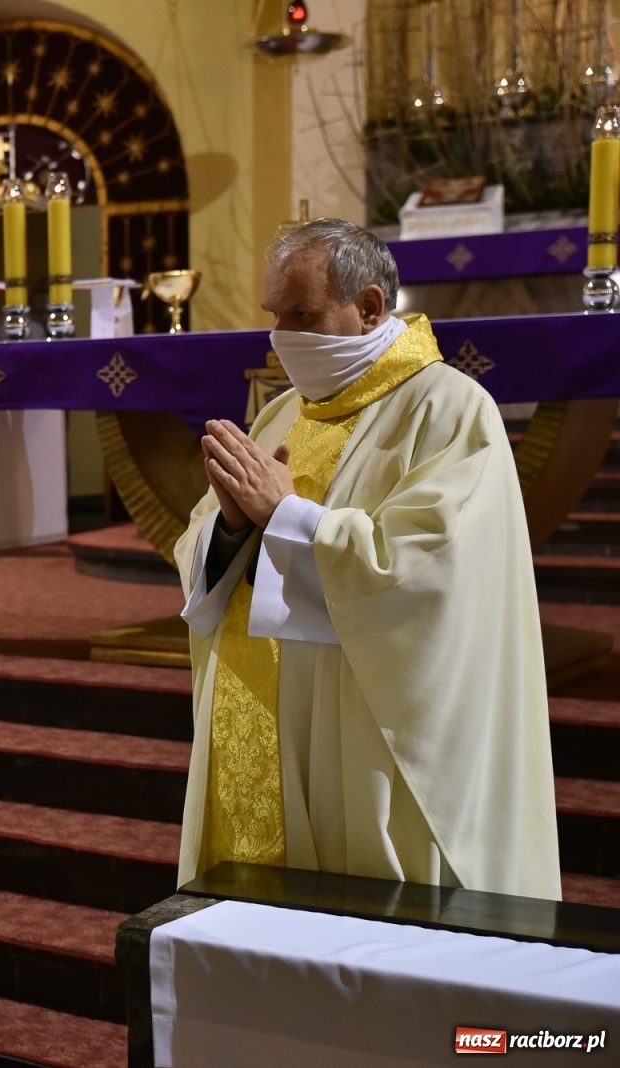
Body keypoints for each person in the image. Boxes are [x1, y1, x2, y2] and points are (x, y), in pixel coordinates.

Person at [175, 219, 560, 898]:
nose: (281, 335)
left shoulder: (450, 410)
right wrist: (231, 527)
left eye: (301, 314)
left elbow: (432, 574)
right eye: (273, 315)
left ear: (371, 306)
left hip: (362, 730)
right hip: (263, 714)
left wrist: (285, 514)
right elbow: (206, 540)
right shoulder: (283, 413)